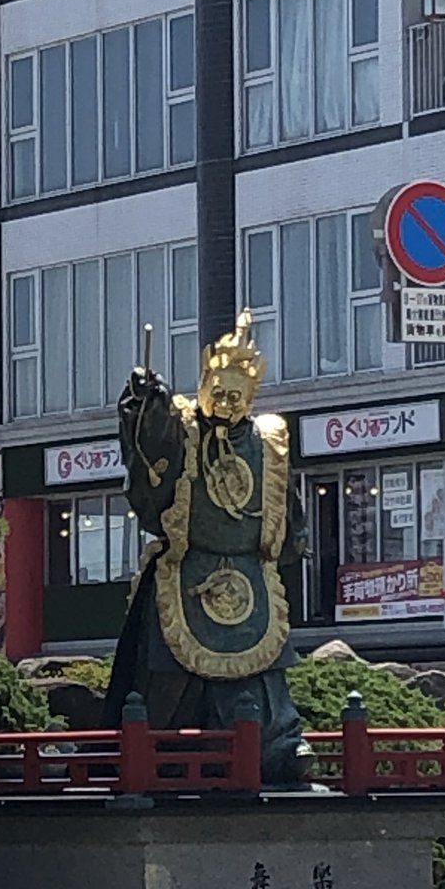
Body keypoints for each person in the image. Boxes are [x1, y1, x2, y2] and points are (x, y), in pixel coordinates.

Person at [103, 310, 311, 786]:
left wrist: (289, 542)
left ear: (251, 396)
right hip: (186, 570)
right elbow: (152, 464)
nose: (226, 403)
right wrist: (144, 409)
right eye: (217, 392)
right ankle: (160, 752)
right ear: (203, 384)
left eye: (236, 396)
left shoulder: (269, 440)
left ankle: (278, 747)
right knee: (168, 679)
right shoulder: (182, 427)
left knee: (262, 677)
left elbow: (284, 507)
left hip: (249, 579)